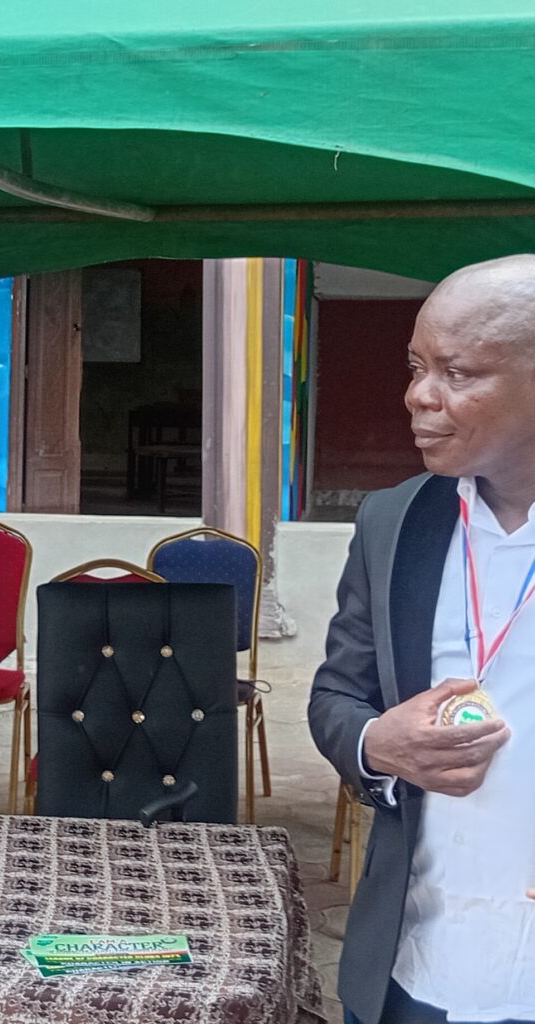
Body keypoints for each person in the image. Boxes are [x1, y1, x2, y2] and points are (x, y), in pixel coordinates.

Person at [309, 254, 535, 1024]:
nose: (418, 396)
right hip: (416, 972)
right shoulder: (394, 523)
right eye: (416, 367)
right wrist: (377, 743)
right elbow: (336, 696)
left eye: (457, 373)